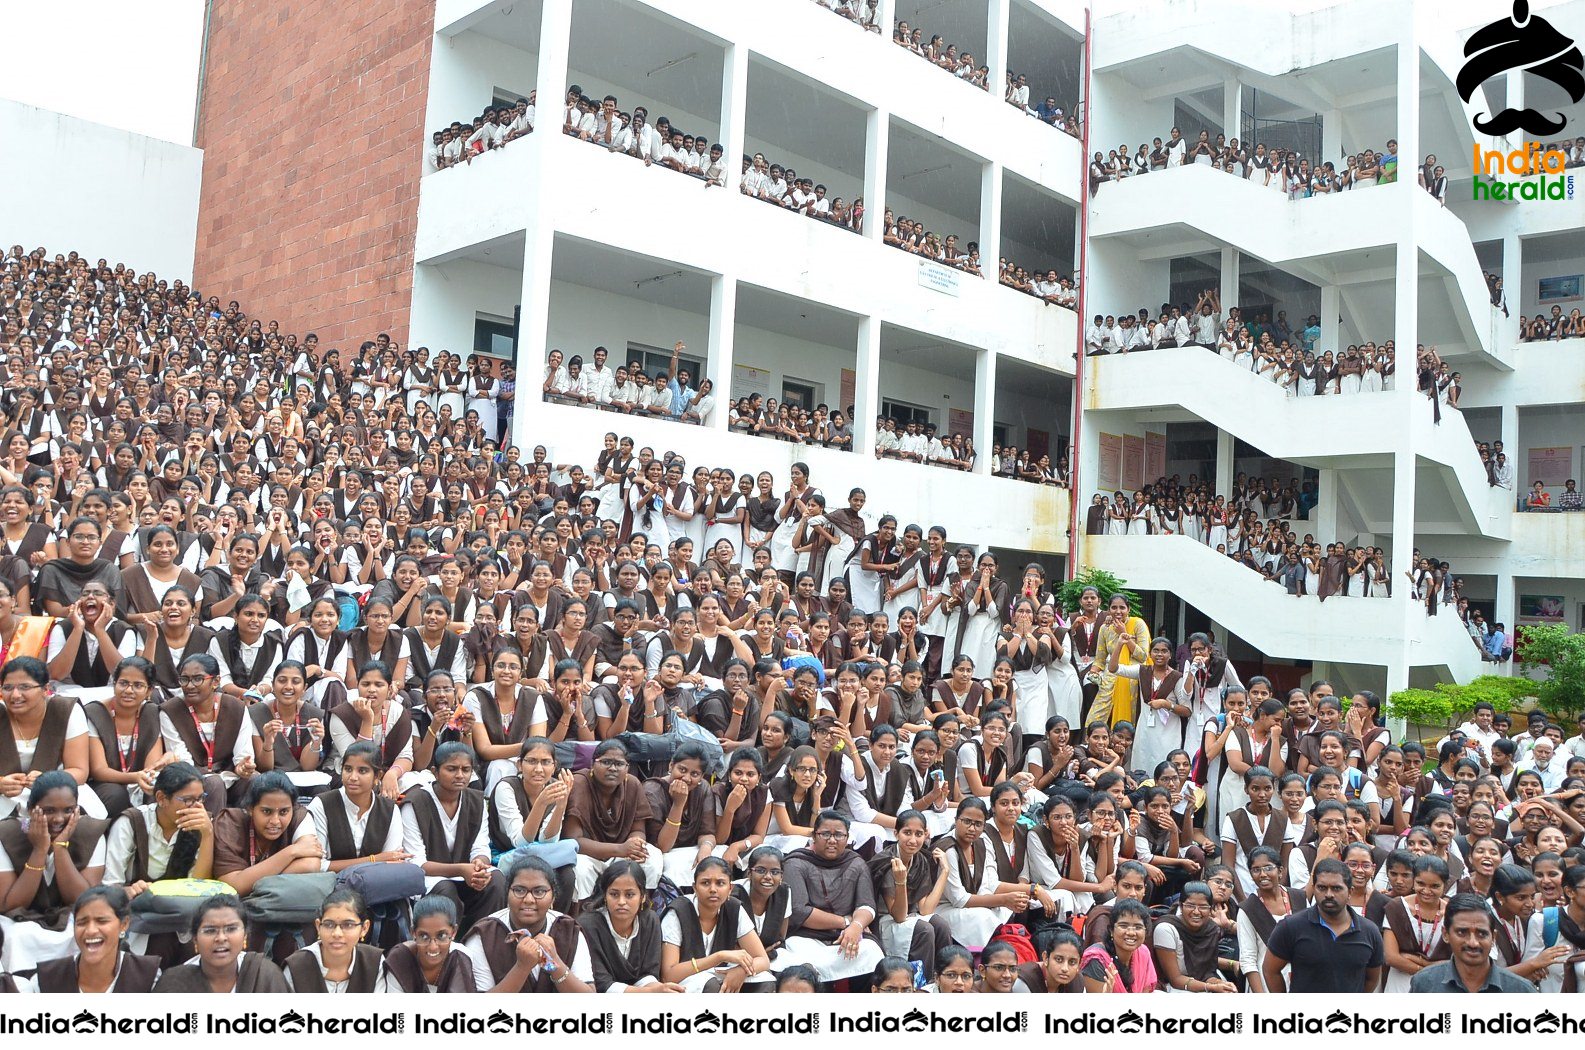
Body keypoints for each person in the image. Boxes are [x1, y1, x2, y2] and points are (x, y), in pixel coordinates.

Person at [779, 809, 885, 983]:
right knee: (797, 954)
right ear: (814, 836)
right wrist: (846, 922)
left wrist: (856, 926)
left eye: (839, 835)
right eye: (825, 834)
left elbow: (867, 905)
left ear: (847, 837)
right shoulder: (796, 862)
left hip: (848, 934)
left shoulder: (855, 862)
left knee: (871, 952)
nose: (832, 840)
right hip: (807, 937)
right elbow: (799, 911)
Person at [462, 854, 594, 992]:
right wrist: (522, 967)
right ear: (507, 893)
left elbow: (589, 1001)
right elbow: (478, 1008)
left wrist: (554, 964)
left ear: (553, 896)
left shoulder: (569, 930)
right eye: (519, 890)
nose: (529, 899)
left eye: (539, 891)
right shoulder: (484, 935)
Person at [1262, 858, 1384, 992]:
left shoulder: (1370, 932)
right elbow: (1270, 971)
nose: (1329, 894)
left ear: (1350, 891)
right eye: (1322, 888)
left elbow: (1371, 980)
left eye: (1336, 888)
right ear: (1314, 889)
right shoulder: (1291, 927)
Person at [17, 884, 160, 992]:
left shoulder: (148, 976)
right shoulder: (46, 980)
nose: (90, 930)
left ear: (124, 924)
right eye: (82, 922)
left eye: (102, 921)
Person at [151, 893, 289, 992]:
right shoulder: (174, 983)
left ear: (245, 936)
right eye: (210, 931)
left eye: (231, 929)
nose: (221, 938)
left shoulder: (265, 975)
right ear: (195, 940)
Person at [1409, 893, 1536, 992]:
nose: (1473, 943)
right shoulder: (1424, 984)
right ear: (1445, 934)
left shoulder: (1521, 990)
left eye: (1482, 934)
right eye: (1462, 932)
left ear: (1493, 937)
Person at [283, 888, 383, 992]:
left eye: (348, 925)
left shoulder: (374, 963)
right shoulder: (296, 966)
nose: (337, 934)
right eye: (329, 925)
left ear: (364, 928)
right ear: (318, 926)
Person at [375, 894, 477, 993]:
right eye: (424, 936)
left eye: (441, 936)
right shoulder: (399, 960)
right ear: (413, 933)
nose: (433, 947)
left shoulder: (461, 956)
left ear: (454, 932)